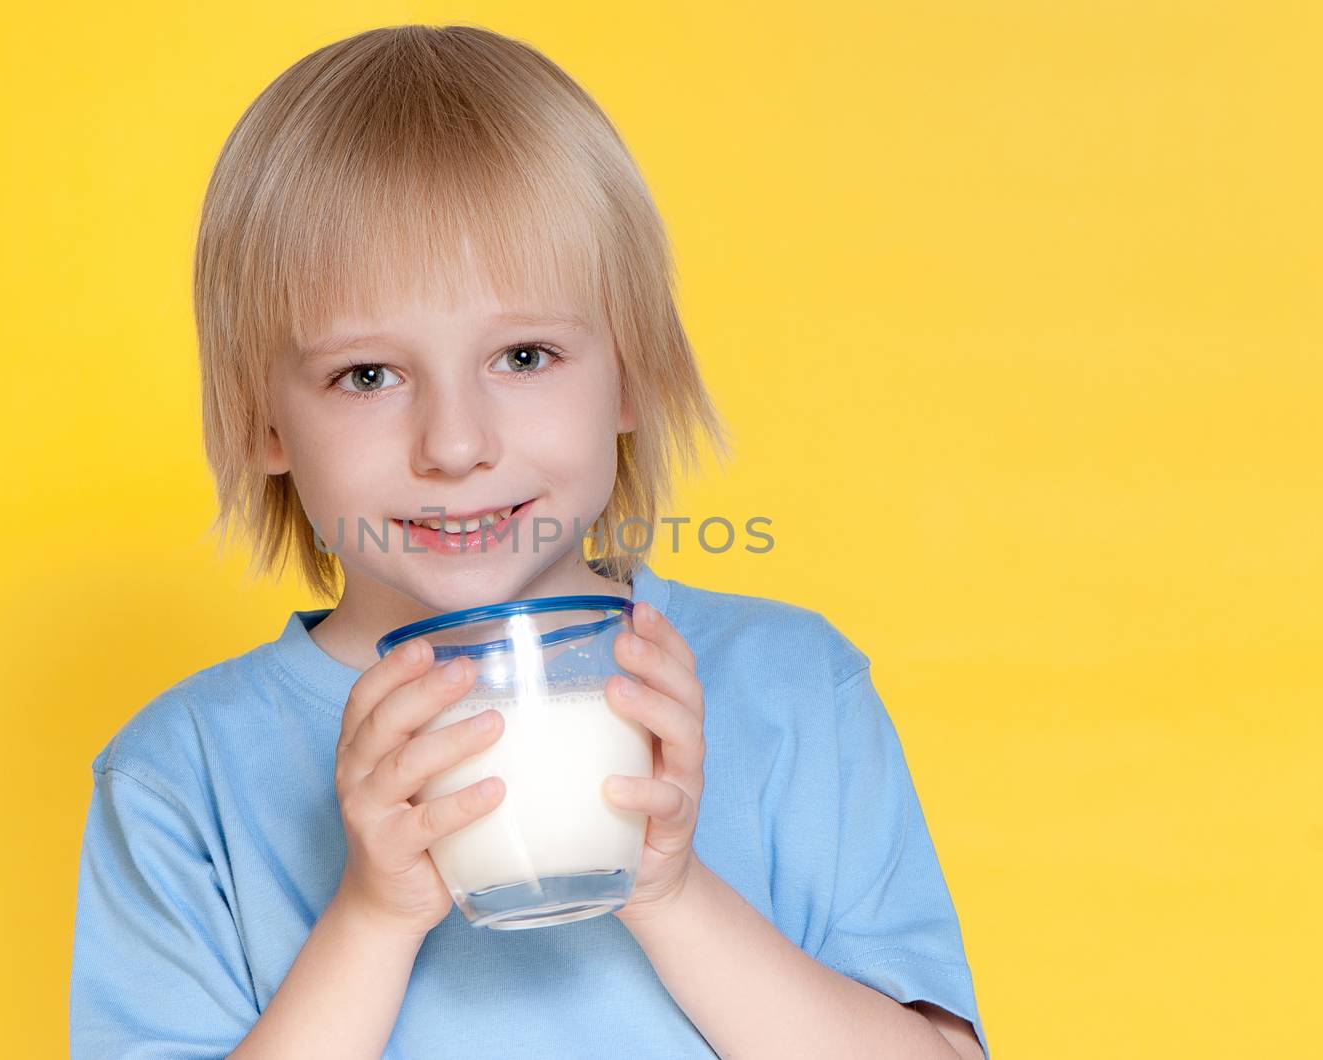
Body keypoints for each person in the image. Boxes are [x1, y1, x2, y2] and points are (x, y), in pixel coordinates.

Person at [71, 22, 988, 1060]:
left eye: (523, 353)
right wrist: (370, 919)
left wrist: (672, 889)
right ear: (264, 422)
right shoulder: (179, 776)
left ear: (633, 368)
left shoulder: (791, 688)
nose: (455, 444)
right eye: (367, 375)